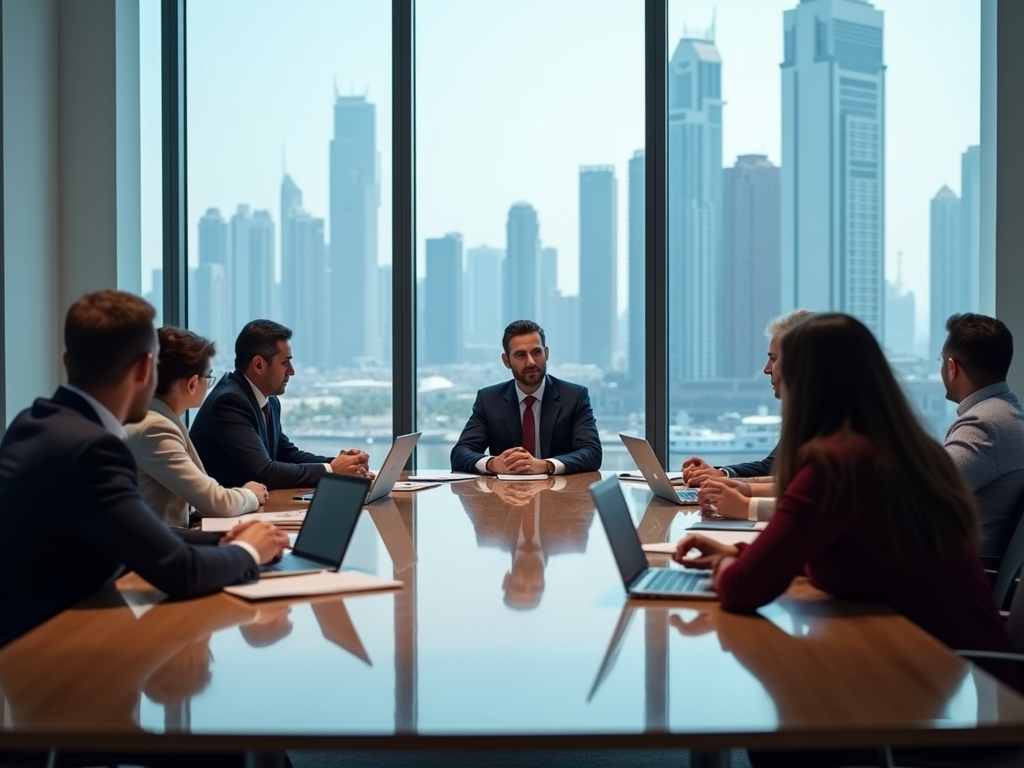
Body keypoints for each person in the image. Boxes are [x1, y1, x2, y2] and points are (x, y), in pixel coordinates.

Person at [672, 314, 1015, 694]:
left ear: (807, 377)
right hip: (946, 677)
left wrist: (728, 563)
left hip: (963, 700)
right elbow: (833, 550)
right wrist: (735, 551)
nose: (767, 370)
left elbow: (742, 590)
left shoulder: (839, 463)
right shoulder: (903, 448)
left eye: (777, 360)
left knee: (780, 711)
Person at [0, 290, 289, 647]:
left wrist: (224, 538)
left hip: (33, 643)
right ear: (143, 369)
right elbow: (180, 571)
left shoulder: (34, 422)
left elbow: (139, 533)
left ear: (66, 360)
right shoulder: (92, 448)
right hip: (58, 658)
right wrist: (248, 552)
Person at [190, 319, 370, 490]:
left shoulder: (269, 401)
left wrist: (344, 463)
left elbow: (287, 454)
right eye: (285, 363)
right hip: (221, 516)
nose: (291, 371)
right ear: (258, 364)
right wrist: (332, 470)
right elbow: (265, 472)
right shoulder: (229, 402)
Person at [125, 327, 268, 528]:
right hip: (156, 549)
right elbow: (217, 503)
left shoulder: (149, 417)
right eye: (208, 377)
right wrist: (251, 494)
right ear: (192, 384)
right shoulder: (154, 428)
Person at [450, 320, 602, 475]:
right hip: (505, 495)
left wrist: (545, 465)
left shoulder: (574, 397)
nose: (530, 362)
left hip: (558, 493)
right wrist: (492, 464)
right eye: (520, 355)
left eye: (536, 352)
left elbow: (592, 453)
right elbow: (460, 454)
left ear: (546, 353)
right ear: (506, 361)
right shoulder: (489, 400)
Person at [681, 309, 812, 486]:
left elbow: (802, 484)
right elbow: (772, 467)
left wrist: (736, 488)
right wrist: (721, 474)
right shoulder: (805, 413)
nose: (766, 369)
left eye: (773, 359)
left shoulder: (836, 424)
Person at [940, 312, 1024, 561]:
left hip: (959, 576)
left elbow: (922, 493)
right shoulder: (1009, 413)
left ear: (952, 368)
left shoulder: (984, 425)